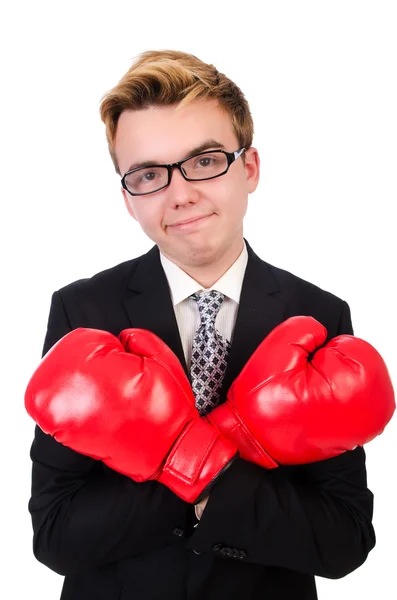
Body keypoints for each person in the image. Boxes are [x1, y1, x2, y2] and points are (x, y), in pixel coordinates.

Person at [26, 49, 385, 600]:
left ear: (250, 168)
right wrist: (224, 454)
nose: (181, 192)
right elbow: (55, 538)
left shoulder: (317, 316)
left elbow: (343, 542)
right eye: (149, 174)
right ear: (128, 198)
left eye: (205, 160)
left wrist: (188, 461)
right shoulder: (83, 313)